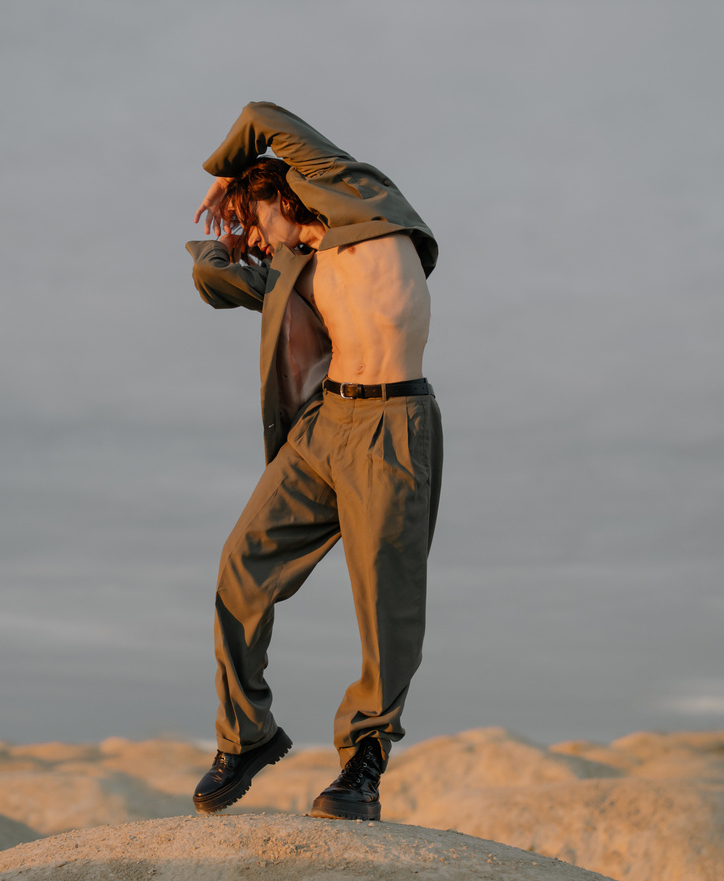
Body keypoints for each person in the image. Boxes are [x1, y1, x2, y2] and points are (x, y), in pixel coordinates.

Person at [185, 102, 442, 822]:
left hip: (392, 424)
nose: (253, 233)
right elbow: (209, 278)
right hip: (323, 427)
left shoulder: (368, 201)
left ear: (280, 193)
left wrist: (224, 173)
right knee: (241, 566)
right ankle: (248, 736)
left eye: (253, 215)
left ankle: (363, 760)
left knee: (383, 599)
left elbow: (262, 116)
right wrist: (224, 247)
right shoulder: (292, 274)